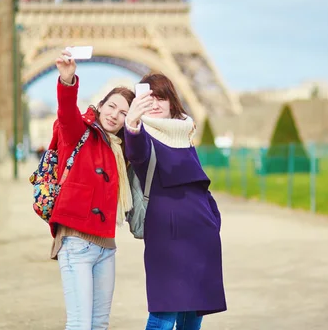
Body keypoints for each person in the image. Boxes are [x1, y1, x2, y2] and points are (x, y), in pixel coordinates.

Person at [124, 72, 227, 330]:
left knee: (193, 316)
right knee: (164, 313)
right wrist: (133, 123)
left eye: (162, 97)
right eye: (149, 99)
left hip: (201, 237)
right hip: (167, 238)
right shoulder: (143, 135)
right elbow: (136, 153)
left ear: (172, 102)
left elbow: (199, 183)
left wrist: (213, 217)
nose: (156, 104)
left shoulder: (184, 135)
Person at [49, 49, 135, 330]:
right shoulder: (80, 132)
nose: (115, 115)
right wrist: (67, 81)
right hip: (76, 242)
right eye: (112, 106)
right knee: (80, 324)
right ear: (101, 105)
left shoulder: (122, 149)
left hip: (106, 247)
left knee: (99, 325)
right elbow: (66, 114)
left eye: (123, 113)